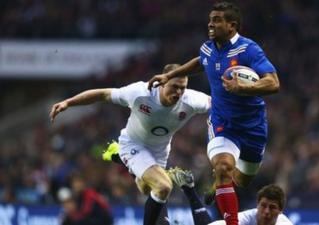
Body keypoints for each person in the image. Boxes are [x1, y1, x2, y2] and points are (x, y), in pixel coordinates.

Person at [148, 2, 280, 225]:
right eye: (211, 19)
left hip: (253, 127)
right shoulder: (208, 48)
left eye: (217, 20)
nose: (211, 23)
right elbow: (201, 62)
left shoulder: (249, 50)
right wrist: (170, 76)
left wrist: (244, 88)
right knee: (223, 167)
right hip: (222, 123)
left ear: (232, 26)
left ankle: (218, 186)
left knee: (242, 180)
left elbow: (273, 83)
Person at [50, 64, 211, 225]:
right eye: (174, 87)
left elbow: (220, 104)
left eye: (182, 88)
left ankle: (123, 160)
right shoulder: (140, 93)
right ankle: (124, 156)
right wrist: (68, 103)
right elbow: (103, 94)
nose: (178, 92)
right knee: (163, 186)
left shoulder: (192, 100)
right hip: (133, 144)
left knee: (148, 190)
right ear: (162, 82)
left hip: (160, 151)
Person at [168, 167, 292, 225]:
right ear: (257, 205)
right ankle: (191, 191)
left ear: (280, 211)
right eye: (263, 206)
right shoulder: (247, 217)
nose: (266, 211)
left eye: (272, 207)